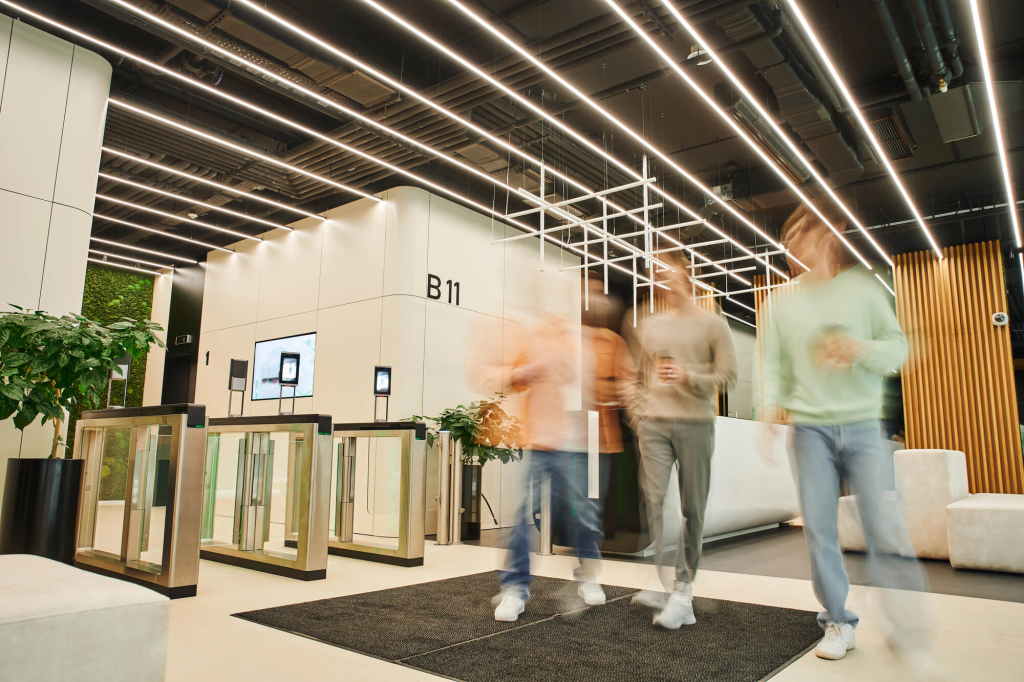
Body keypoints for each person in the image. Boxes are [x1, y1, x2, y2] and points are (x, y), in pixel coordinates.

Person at [760, 200, 946, 676]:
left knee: (886, 528)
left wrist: (859, 348)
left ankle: (912, 637)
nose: (793, 238)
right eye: (788, 233)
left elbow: (898, 348)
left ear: (828, 234)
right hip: (809, 430)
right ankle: (839, 622)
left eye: (801, 228)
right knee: (820, 531)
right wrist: (767, 412)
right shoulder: (780, 301)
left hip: (864, 426)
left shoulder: (862, 290)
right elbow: (773, 367)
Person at [625, 251, 737, 629]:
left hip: (695, 424)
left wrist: (689, 376)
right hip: (655, 424)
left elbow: (728, 376)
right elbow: (639, 377)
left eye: (669, 270)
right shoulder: (651, 326)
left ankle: (683, 589)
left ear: (688, 275)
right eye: (656, 273)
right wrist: (638, 414)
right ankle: (663, 582)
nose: (662, 278)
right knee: (653, 500)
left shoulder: (713, 324)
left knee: (693, 509)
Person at [492, 310, 607, 622]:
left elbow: (583, 382)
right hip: (541, 440)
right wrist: (528, 371)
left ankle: (587, 574)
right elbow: (510, 378)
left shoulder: (581, 340)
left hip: (576, 442)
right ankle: (514, 588)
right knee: (522, 517)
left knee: (583, 512)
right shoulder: (533, 337)